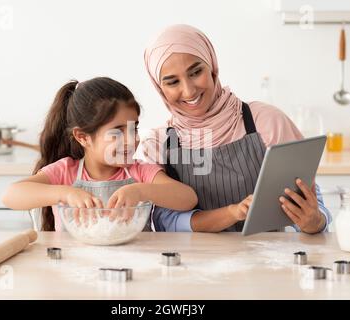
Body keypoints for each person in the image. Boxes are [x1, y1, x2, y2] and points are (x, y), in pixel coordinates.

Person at [142, 24, 332, 233]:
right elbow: (163, 221)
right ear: (159, 89)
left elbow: (310, 201)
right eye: (172, 82)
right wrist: (231, 213)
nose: (188, 91)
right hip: (191, 263)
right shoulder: (159, 143)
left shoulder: (266, 121)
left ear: (212, 67)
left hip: (268, 260)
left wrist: (315, 222)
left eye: (196, 72)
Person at [2, 77, 198, 231]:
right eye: (117, 131)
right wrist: (65, 193)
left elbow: (187, 198)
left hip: (135, 269)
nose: (132, 140)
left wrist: (141, 191)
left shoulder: (140, 172)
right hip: (74, 271)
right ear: (83, 137)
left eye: (133, 128)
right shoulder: (64, 172)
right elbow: (11, 195)